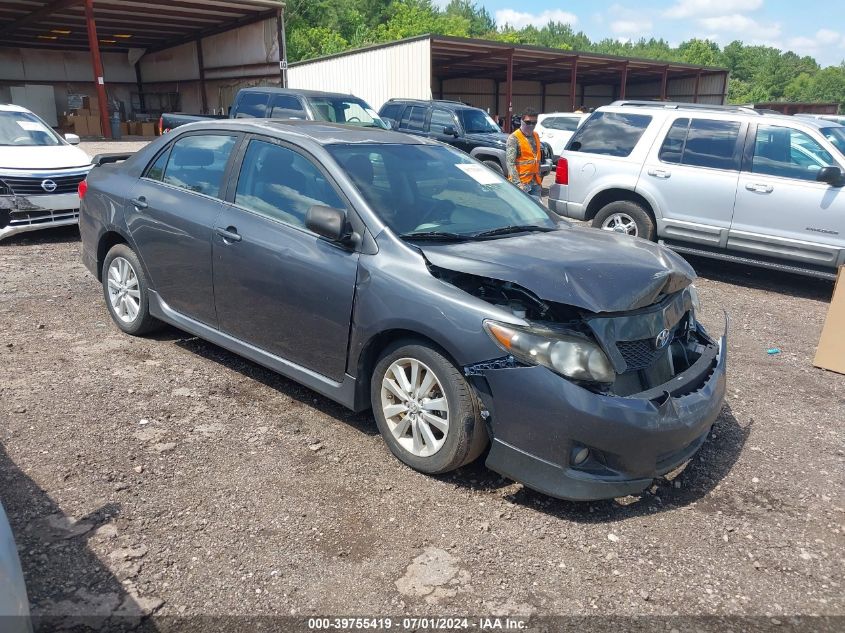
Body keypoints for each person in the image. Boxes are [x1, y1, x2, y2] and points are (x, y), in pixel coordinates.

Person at [506, 107, 542, 200]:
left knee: (536, 212)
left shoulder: (536, 135)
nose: (531, 125)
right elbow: (510, 163)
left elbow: (537, 159)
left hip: (535, 182)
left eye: (534, 123)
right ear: (521, 121)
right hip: (521, 184)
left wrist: (539, 179)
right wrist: (517, 184)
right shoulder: (514, 138)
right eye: (528, 122)